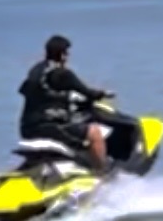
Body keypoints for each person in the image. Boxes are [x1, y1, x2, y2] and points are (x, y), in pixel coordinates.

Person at [18, 34, 114, 169]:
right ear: (63, 55)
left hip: (27, 128)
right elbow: (87, 92)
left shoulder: (36, 70)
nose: (68, 57)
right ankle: (102, 173)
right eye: (67, 53)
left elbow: (24, 90)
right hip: (50, 127)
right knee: (94, 132)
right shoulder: (62, 74)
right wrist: (103, 94)